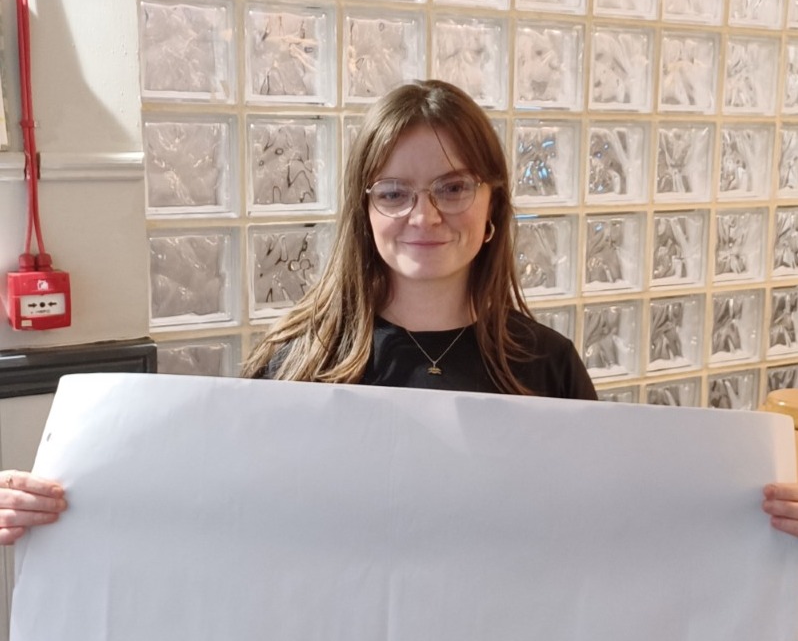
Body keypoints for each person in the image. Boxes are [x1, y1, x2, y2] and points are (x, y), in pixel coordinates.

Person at [1, 79, 797, 543]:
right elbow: (215, 522)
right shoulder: (297, 364)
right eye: (395, 191)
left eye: (454, 186)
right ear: (365, 210)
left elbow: (608, 528)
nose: (426, 215)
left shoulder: (545, 364)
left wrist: (751, 523)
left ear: (492, 207)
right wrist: (59, 508)